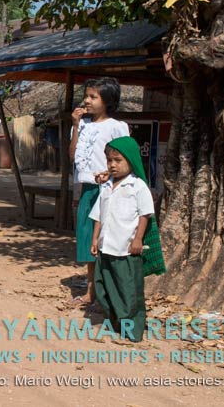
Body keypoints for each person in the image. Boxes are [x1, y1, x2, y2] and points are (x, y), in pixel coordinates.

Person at [90, 136, 160, 342]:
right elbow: (98, 216)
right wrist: (95, 239)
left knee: (128, 291)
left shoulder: (137, 187)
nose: (112, 165)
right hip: (106, 247)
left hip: (125, 249)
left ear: (130, 160)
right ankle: (116, 323)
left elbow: (145, 215)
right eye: (109, 160)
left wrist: (137, 239)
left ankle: (132, 329)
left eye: (118, 160)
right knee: (103, 288)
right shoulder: (105, 187)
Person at [68, 77, 129, 306]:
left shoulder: (116, 127)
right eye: (87, 96)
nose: (87, 100)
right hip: (87, 188)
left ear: (108, 100)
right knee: (87, 239)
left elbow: (124, 159)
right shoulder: (82, 125)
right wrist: (75, 126)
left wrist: (108, 173)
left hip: (108, 189)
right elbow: (72, 155)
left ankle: (108, 290)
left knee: (107, 239)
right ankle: (91, 290)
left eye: (94, 97)